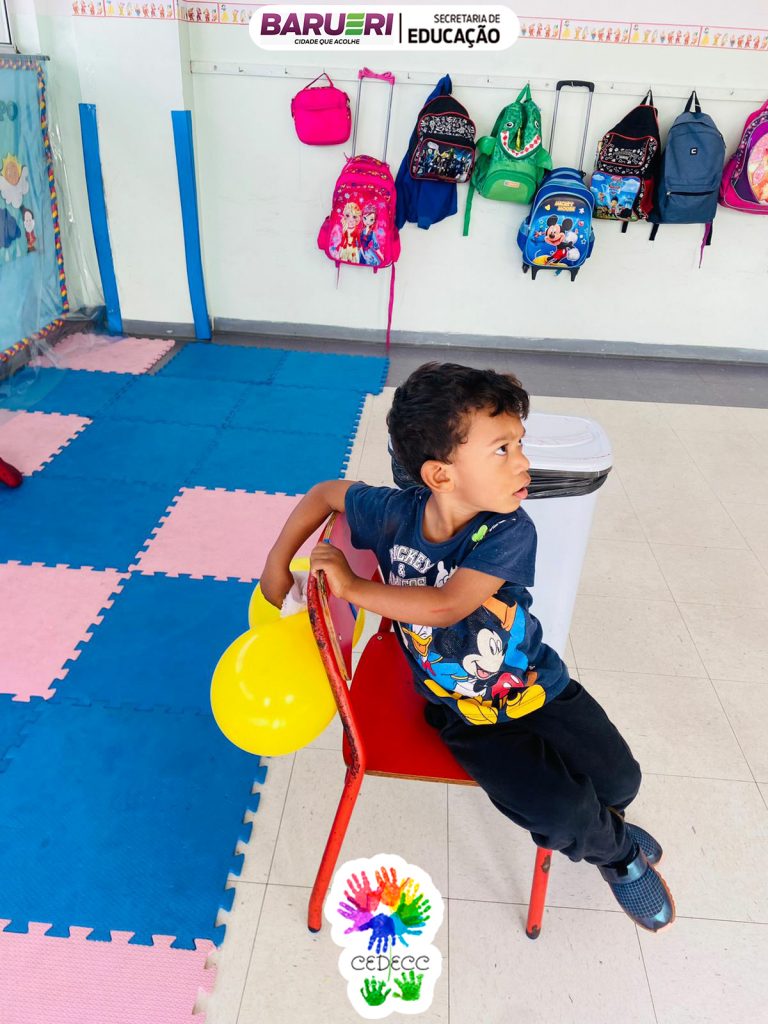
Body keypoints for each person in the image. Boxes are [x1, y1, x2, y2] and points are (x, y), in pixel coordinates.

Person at [260, 362, 674, 932]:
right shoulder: (393, 514)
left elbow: (447, 606)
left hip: (539, 685)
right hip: (466, 716)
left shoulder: (508, 530)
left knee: (622, 781)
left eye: (519, 444)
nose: (523, 462)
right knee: (561, 812)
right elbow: (325, 494)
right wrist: (276, 560)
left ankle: (604, 830)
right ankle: (619, 856)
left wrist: (353, 588)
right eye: (502, 449)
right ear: (440, 474)